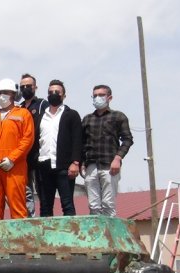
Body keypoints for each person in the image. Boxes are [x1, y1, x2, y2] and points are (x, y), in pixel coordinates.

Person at [0, 78, 34, 220]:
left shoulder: (23, 114)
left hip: (15, 168)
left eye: (6, 92)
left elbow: (27, 140)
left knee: (18, 207)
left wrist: (12, 159)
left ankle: (20, 234)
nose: (2, 96)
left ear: (14, 95)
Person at [82, 84, 134, 217]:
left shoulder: (118, 116)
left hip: (110, 165)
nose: (97, 98)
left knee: (108, 204)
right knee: (93, 205)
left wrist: (118, 158)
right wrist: (82, 162)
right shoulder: (87, 119)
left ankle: (110, 229)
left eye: (101, 95)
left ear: (109, 98)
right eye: (95, 96)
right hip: (91, 166)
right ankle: (96, 229)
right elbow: (82, 143)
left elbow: (127, 139)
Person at [34, 80, 83, 217]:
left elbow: (77, 140)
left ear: (64, 95)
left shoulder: (71, 114)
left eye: (57, 92)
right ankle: (47, 231)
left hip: (64, 167)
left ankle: (70, 230)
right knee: (45, 207)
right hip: (44, 165)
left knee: (67, 205)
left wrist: (75, 162)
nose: (53, 94)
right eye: (50, 92)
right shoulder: (41, 116)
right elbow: (36, 140)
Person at [20, 73, 49, 217]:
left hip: (39, 154)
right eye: (22, 86)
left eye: (29, 86)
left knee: (42, 189)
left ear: (35, 87)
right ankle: (29, 218)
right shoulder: (18, 108)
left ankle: (45, 218)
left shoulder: (42, 104)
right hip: (23, 155)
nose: (25, 88)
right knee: (25, 190)